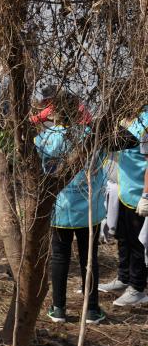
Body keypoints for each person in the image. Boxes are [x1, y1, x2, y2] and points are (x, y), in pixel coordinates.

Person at [35, 100, 108, 323]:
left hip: (60, 206)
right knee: (89, 258)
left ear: (55, 114)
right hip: (89, 208)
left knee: (59, 256)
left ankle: (58, 308)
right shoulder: (91, 135)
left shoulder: (45, 138)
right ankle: (92, 310)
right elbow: (103, 159)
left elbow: (35, 159)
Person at [98, 105, 148, 308]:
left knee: (138, 243)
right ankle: (123, 278)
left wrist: (146, 195)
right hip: (123, 190)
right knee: (123, 237)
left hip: (138, 192)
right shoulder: (129, 117)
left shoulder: (145, 121)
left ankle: (137, 288)